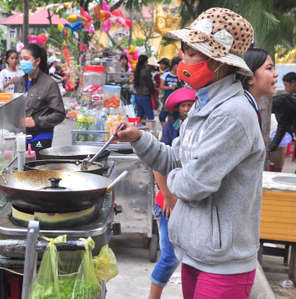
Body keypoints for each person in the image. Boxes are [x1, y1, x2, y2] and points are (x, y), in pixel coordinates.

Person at [111, 8, 263, 299]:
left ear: (219, 62)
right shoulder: (202, 104)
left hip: (223, 264)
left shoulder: (233, 114)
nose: (183, 59)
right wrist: (140, 138)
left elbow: (194, 184)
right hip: (196, 250)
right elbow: (173, 159)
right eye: (185, 50)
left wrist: (182, 173)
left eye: (192, 52)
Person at [150, 87, 196, 299]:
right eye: (183, 106)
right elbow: (157, 165)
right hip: (168, 201)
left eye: (190, 105)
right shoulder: (170, 129)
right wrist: (168, 196)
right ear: (177, 109)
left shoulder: (198, 129)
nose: (187, 109)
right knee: (169, 257)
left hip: (187, 200)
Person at [14, 44, 66, 157]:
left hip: (41, 136)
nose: (22, 62)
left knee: (37, 169)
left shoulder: (49, 84)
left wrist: (36, 121)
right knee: (21, 168)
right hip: (21, 135)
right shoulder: (18, 82)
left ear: (37, 61)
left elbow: (59, 114)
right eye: (21, 58)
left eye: (26, 59)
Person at [133, 55, 156, 130]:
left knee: (139, 114)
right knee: (150, 115)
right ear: (145, 62)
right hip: (145, 95)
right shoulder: (146, 70)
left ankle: (137, 130)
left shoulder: (137, 70)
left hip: (137, 95)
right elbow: (149, 83)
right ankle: (152, 132)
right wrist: (153, 92)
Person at [159, 57, 181, 126]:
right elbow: (161, 86)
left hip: (177, 100)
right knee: (162, 117)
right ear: (174, 65)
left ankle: (173, 132)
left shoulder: (180, 76)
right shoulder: (166, 74)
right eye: (179, 66)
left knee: (175, 117)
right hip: (168, 99)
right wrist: (170, 87)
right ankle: (167, 131)